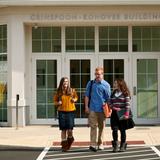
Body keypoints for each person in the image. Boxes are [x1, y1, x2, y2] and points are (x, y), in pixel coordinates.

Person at [84, 67, 111, 152]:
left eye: (99, 74)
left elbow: (108, 98)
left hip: (102, 109)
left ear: (102, 74)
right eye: (96, 74)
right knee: (93, 127)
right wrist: (86, 107)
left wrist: (109, 109)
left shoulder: (106, 85)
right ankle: (92, 144)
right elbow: (87, 96)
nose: (97, 76)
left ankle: (100, 143)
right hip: (92, 109)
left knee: (102, 127)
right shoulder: (91, 83)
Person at [53, 77, 78, 152]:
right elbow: (54, 101)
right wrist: (58, 103)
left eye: (67, 81)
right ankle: (64, 145)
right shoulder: (58, 92)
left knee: (70, 129)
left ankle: (70, 139)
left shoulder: (72, 90)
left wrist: (74, 100)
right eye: (64, 82)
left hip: (70, 111)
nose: (65, 83)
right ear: (62, 83)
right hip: (61, 112)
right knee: (63, 129)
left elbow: (76, 97)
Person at [109, 78, 131, 152]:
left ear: (120, 84)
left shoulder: (125, 93)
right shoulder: (113, 93)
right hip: (114, 114)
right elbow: (109, 103)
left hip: (123, 113)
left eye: (115, 83)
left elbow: (127, 104)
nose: (114, 85)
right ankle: (115, 146)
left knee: (122, 130)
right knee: (114, 130)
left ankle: (123, 145)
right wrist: (114, 107)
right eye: (114, 83)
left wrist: (127, 114)